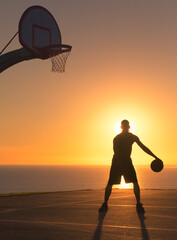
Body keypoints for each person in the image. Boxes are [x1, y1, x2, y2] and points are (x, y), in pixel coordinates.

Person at [99, 119, 161, 214]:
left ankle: (106, 204)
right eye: (125, 126)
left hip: (120, 162)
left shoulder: (123, 137)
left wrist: (155, 156)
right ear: (128, 127)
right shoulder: (123, 138)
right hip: (120, 162)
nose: (125, 128)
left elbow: (143, 148)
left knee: (114, 183)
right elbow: (117, 152)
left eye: (125, 126)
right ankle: (137, 204)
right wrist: (155, 156)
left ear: (124, 127)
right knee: (123, 183)